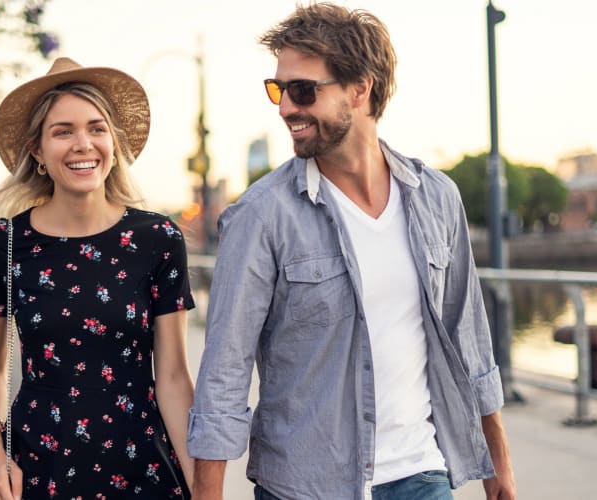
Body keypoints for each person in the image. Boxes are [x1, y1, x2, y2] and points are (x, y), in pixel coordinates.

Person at [188, 4, 515, 500]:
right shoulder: (260, 216)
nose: (284, 108)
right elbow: (224, 374)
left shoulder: (435, 197)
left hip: (422, 477)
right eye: (277, 90)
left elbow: (468, 340)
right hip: (304, 485)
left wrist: (500, 474)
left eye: (302, 90)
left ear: (360, 89)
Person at [0, 57, 196, 500]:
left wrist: (201, 485)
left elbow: (172, 378)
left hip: (143, 471)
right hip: (39, 471)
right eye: (63, 131)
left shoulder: (158, 239)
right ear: (37, 151)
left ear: (113, 142)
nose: (83, 144)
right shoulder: (4, 243)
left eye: (96, 128)